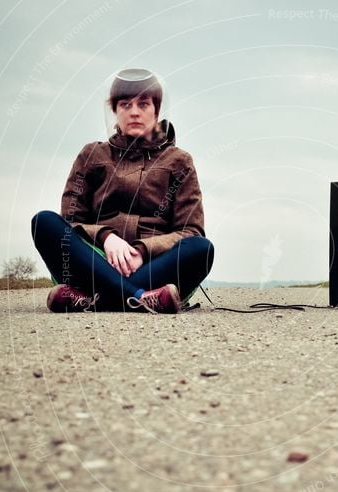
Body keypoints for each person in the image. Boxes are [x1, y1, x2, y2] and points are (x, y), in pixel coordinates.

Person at [31, 68, 214, 314]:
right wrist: (107, 238)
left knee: (201, 249)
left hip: (152, 265)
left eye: (144, 104)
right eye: (125, 104)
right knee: (44, 222)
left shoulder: (179, 161)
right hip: (94, 261)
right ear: (115, 111)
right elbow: (71, 221)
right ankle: (140, 297)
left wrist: (141, 251)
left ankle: (90, 299)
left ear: (157, 110)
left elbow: (190, 231)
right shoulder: (91, 155)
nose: (135, 111)